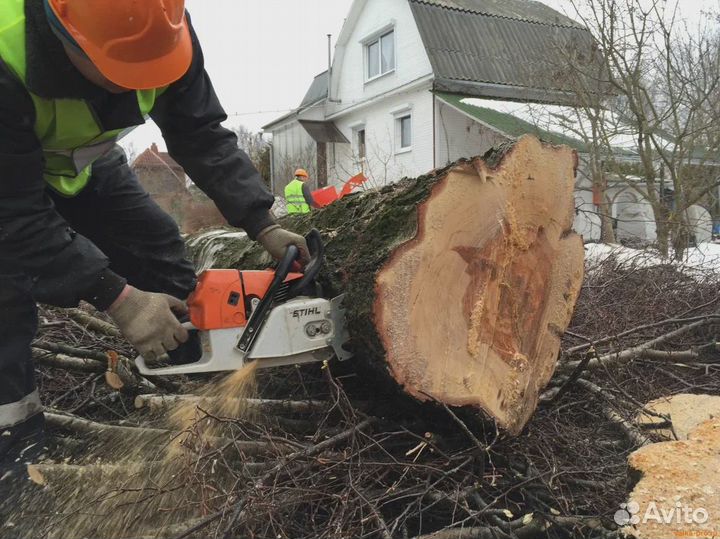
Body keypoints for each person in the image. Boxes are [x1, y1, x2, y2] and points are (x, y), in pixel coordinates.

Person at [0, 0, 310, 471]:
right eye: (123, 69)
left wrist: (261, 221)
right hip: (8, 186)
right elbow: (15, 214)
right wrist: (119, 299)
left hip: (80, 167)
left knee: (159, 248)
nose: (141, 84)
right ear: (65, 32)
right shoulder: (8, 50)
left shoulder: (160, 27)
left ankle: (208, 386)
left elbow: (199, 131)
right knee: (5, 314)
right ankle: (14, 457)